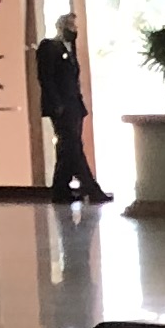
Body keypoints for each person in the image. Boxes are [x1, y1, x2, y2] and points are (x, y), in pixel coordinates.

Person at [32, 14, 104, 202]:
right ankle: (90, 188)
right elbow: (46, 77)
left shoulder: (70, 50)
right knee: (72, 146)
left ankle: (61, 189)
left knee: (68, 148)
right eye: (70, 25)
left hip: (74, 106)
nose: (74, 30)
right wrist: (57, 104)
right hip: (61, 106)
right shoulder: (49, 46)